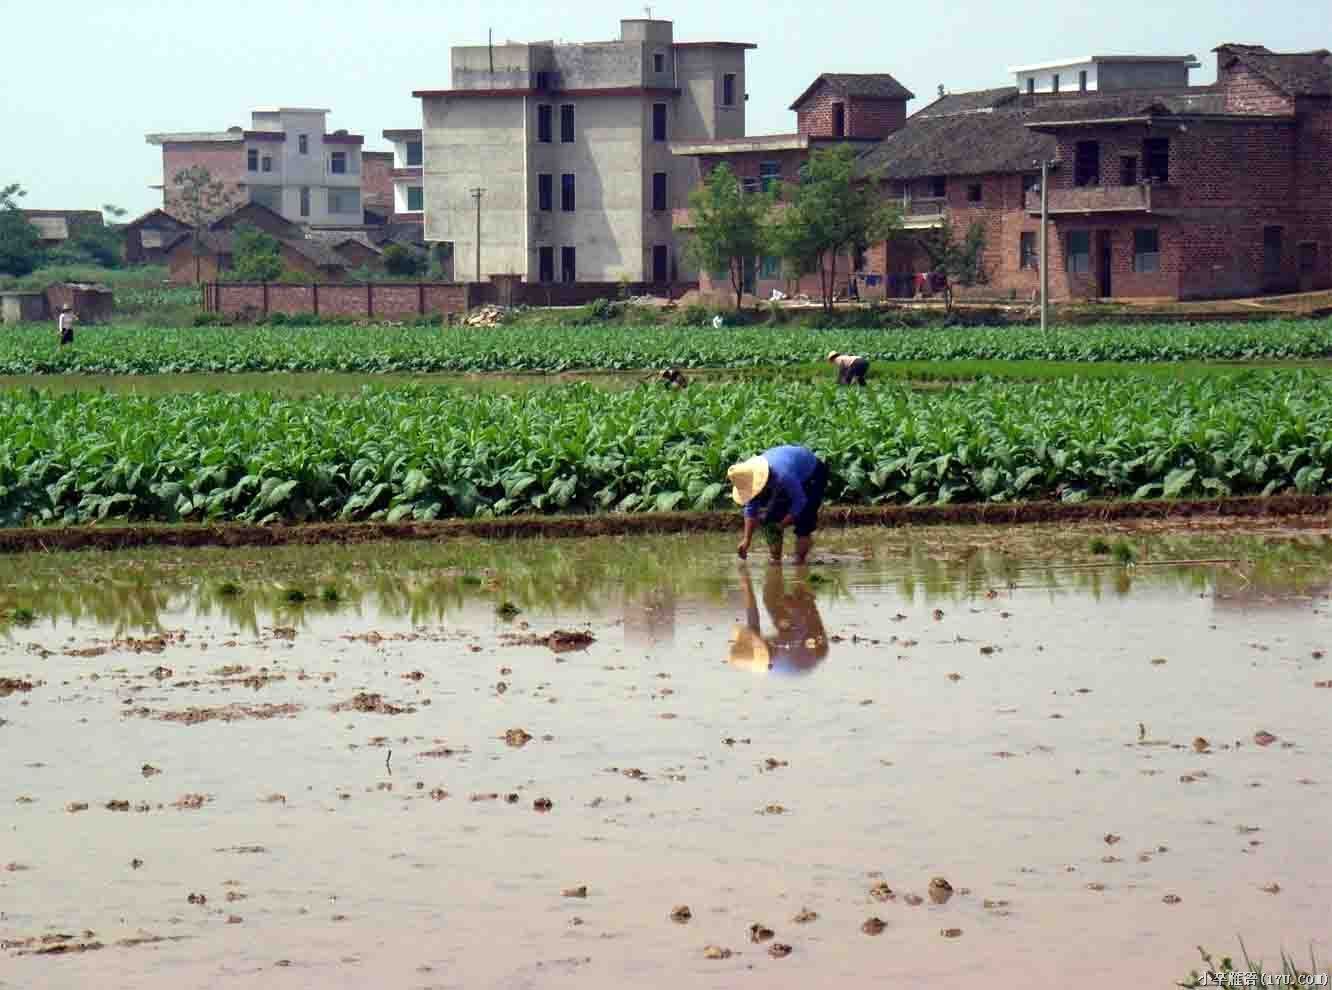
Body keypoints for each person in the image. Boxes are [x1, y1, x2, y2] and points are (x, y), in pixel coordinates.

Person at [728, 444, 828, 565]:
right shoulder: (749, 475)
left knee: (804, 521)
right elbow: (751, 507)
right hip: (785, 471)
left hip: (812, 473)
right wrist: (746, 540)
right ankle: (776, 560)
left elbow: (800, 501)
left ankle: (800, 562)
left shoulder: (783, 475)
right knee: (770, 522)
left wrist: (782, 524)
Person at [727, 563, 829, 675]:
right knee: (799, 598)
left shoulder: (760, 648)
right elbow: (802, 628)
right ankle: (802, 566)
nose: (752, 638)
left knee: (770, 598)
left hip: (796, 645)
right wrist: (793, 607)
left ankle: (776, 568)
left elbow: (752, 614)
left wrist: (746, 582)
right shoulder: (784, 648)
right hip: (815, 647)